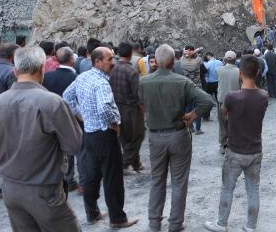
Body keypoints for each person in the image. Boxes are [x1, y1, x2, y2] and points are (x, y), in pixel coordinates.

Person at [0, 46, 82, 231]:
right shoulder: (52, 102)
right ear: (42, 68)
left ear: (15, 71)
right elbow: (73, 145)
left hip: (11, 189)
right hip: (44, 190)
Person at [138, 44, 213, 232]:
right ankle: (175, 224)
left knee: (157, 180)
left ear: (155, 61)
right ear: (174, 62)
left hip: (155, 137)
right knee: (179, 182)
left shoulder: (143, 82)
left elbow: (138, 104)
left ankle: (154, 223)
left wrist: (148, 115)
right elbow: (207, 101)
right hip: (179, 135)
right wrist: (193, 115)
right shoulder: (182, 82)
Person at [63, 47, 138, 229]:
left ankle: (92, 213)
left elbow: (66, 97)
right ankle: (117, 219)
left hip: (89, 134)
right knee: (112, 178)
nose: (113, 62)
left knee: (91, 175)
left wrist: (81, 115)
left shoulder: (82, 77)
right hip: (105, 135)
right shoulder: (101, 83)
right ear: (98, 62)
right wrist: (113, 123)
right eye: (110, 59)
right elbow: (104, 109)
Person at [204, 55, 268, 232]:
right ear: (257, 73)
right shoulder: (264, 96)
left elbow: (223, 113)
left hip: (235, 150)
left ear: (240, 73)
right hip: (255, 150)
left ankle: (221, 224)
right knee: (253, 189)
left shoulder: (232, 97)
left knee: (227, 188)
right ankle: (251, 226)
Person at [43, 47, 84, 192]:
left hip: (53, 119)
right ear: (71, 59)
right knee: (80, 150)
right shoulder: (78, 78)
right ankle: (83, 182)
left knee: (61, 150)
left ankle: (67, 179)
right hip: (75, 119)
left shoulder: (47, 77)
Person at [109, 42, 144, 175]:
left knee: (125, 137)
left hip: (117, 107)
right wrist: (143, 111)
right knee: (138, 135)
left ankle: (136, 163)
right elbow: (138, 95)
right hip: (131, 109)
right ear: (130, 54)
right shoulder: (132, 71)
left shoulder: (112, 69)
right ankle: (124, 164)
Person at [216, 51, 240, 155]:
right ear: (235, 59)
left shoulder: (219, 70)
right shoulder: (239, 71)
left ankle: (223, 145)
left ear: (225, 59)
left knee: (222, 124)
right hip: (236, 100)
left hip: (222, 100)